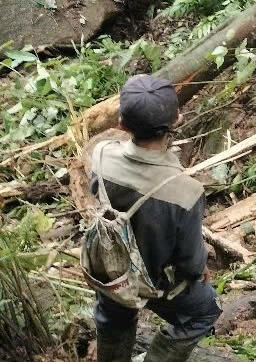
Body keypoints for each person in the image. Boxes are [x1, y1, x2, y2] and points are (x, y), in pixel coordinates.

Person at [91, 75, 221, 362]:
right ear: (177, 119)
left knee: (113, 314)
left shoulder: (101, 156)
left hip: (111, 270)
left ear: (122, 124)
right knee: (205, 310)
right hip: (156, 283)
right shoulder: (186, 191)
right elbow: (189, 261)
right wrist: (198, 270)